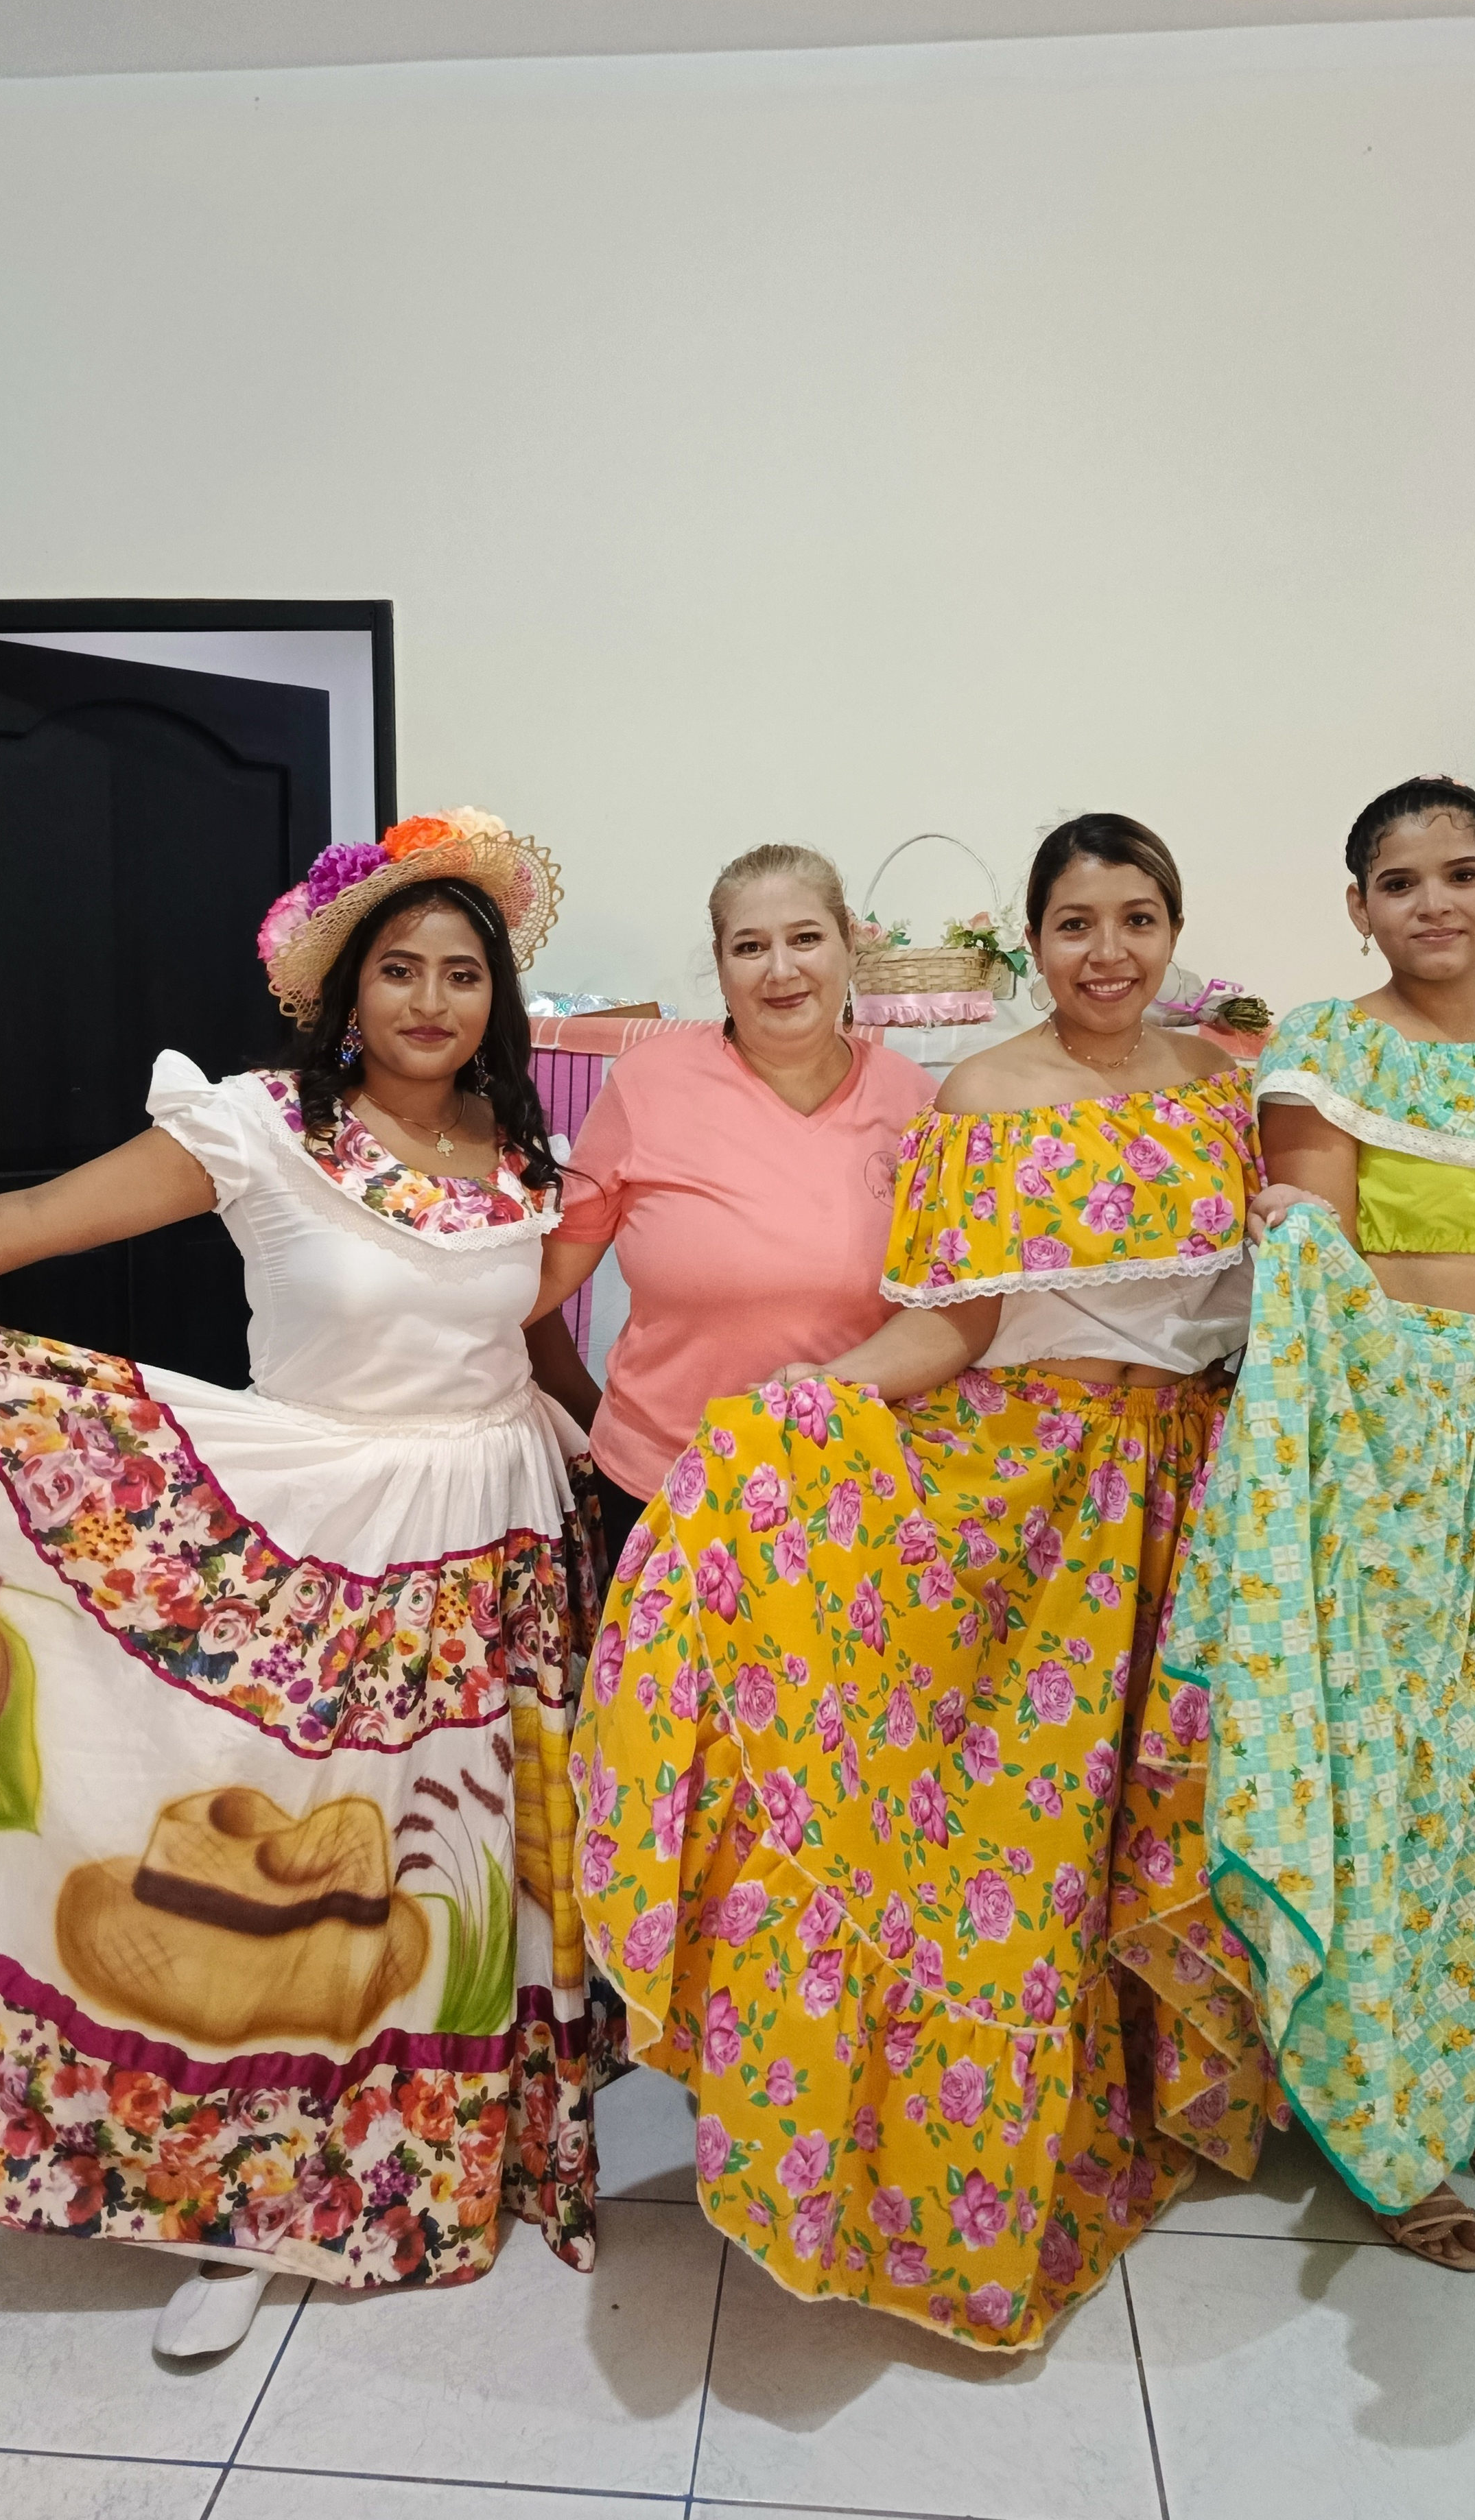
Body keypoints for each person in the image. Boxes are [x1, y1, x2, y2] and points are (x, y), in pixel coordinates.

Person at [0, 806, 615, 2362]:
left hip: (503, 1538)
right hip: (325, 1536)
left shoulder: (524, 1153)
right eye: (399, 967)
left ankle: (456, 2148)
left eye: (462, 973)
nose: (430, 998)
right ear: (346, 987)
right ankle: (247, 2199)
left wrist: (628, 1462)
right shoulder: (256, 1126)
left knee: (455, 1870)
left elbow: (531, 1341)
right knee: (293, 1882)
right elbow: (25, 1221)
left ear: (498, 998)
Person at [569, 813, 1289, 2350]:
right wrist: (803, 1407)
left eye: (1138, 917)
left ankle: (1140, 2088)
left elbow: (1262, 1310)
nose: (1108, 949)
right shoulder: (981, 1095)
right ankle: (963, 2149)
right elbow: (955, 1320)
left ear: (1174, 931)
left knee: (1156, 1808)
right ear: (1032, 942)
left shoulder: (1229, 1092)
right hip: (1032, 1500)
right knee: (1014, 1839)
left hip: (1192, 1489)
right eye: (1076, 922)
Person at [1163, 776, 1475, 2272]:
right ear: (1358, 907)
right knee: (1391, 1780)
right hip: (1386, 1456)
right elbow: (1321, 1280)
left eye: (1460, 873)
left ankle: (1459, 2065)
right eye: (1398, 880)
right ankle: (1382, 2124)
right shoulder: (1331, 1049)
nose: (1433, 902)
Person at [529, 844, 928, 1562]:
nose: (781, 969)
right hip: (658, 1487)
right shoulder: (647, 1083)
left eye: (805, 937)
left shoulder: (917, 1100)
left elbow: (951, 1311)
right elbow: (541, 1279)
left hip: (850, 1486)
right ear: (719, 965)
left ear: (849, 944)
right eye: (750, 946)